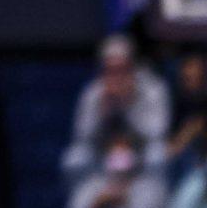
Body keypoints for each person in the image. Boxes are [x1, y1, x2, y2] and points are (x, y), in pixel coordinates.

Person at [66, 34, 169, 179]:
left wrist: (129, 105)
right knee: (75, 158)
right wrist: (103, 113)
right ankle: (88, 198)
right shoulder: (93, 92)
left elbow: (156, 133)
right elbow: (82, 135)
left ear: (132, 67)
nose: (116, 76)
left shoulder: (153, 89)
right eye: (110, 70)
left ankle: (151, 199)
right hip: (103, 152)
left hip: (140, 152)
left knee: (157, 154)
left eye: (122, 69)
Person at [69, 127, 170, 208]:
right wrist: (97, 204)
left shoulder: (150, 187)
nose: (120, 153)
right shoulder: (91, 185)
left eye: (125, 149)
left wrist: (124, 200)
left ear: (137, 155)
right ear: (106, 154)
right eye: (115, 149)